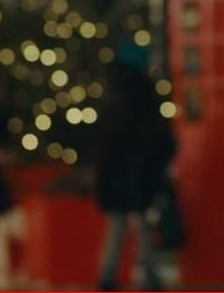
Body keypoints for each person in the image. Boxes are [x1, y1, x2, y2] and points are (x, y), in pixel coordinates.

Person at [94, 38, 176, 291]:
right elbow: (156, 135)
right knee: (141, 224)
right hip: (139, 170)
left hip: (119, 170)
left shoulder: (114, 94)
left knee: (119, 225)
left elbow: (108, 140)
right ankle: (148, 274)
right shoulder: (143, 94)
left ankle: (109, 274)